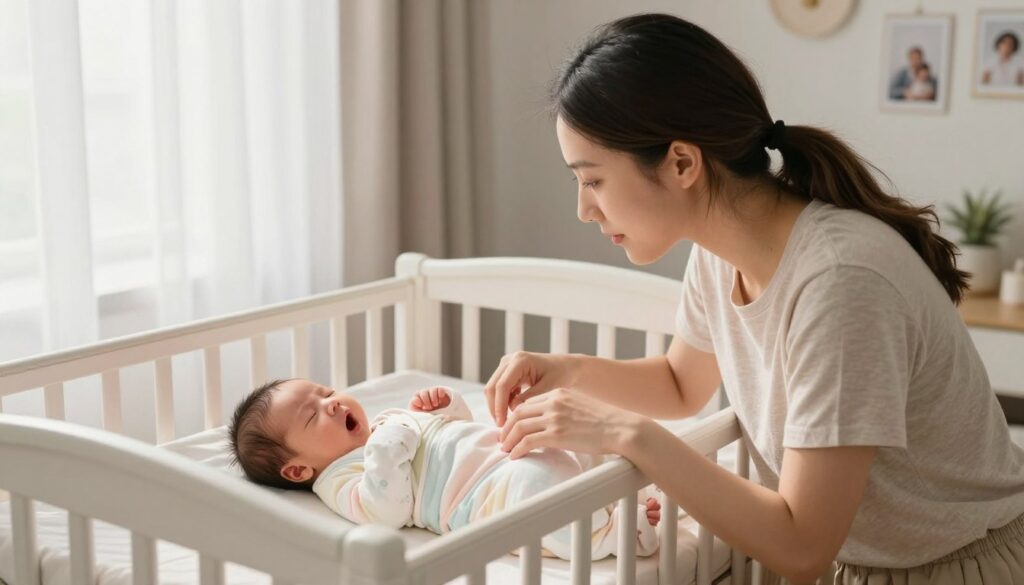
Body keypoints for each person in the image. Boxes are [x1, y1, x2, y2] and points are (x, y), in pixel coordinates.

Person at [486, 13, 1024, 585]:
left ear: (682, 163)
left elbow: (800, 547)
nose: (584, 209)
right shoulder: (720, 252)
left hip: (959, 568)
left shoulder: (840, 282)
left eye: (592, 180)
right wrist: (565, 370)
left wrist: (627, 433)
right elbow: (679, 382)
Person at [227, 379, 660, 561]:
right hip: (482, 496)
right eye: (313, 414)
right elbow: (387, 509)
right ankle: (615, 534)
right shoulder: (339, 481)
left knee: (559, 433)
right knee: (537, 497)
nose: (333, 403)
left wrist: (444, 408)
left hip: (504, 451)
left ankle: (624, 485)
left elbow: (456, 434)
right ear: (299, 471)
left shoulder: (381, 424)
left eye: (326, 392)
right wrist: (390, 440)